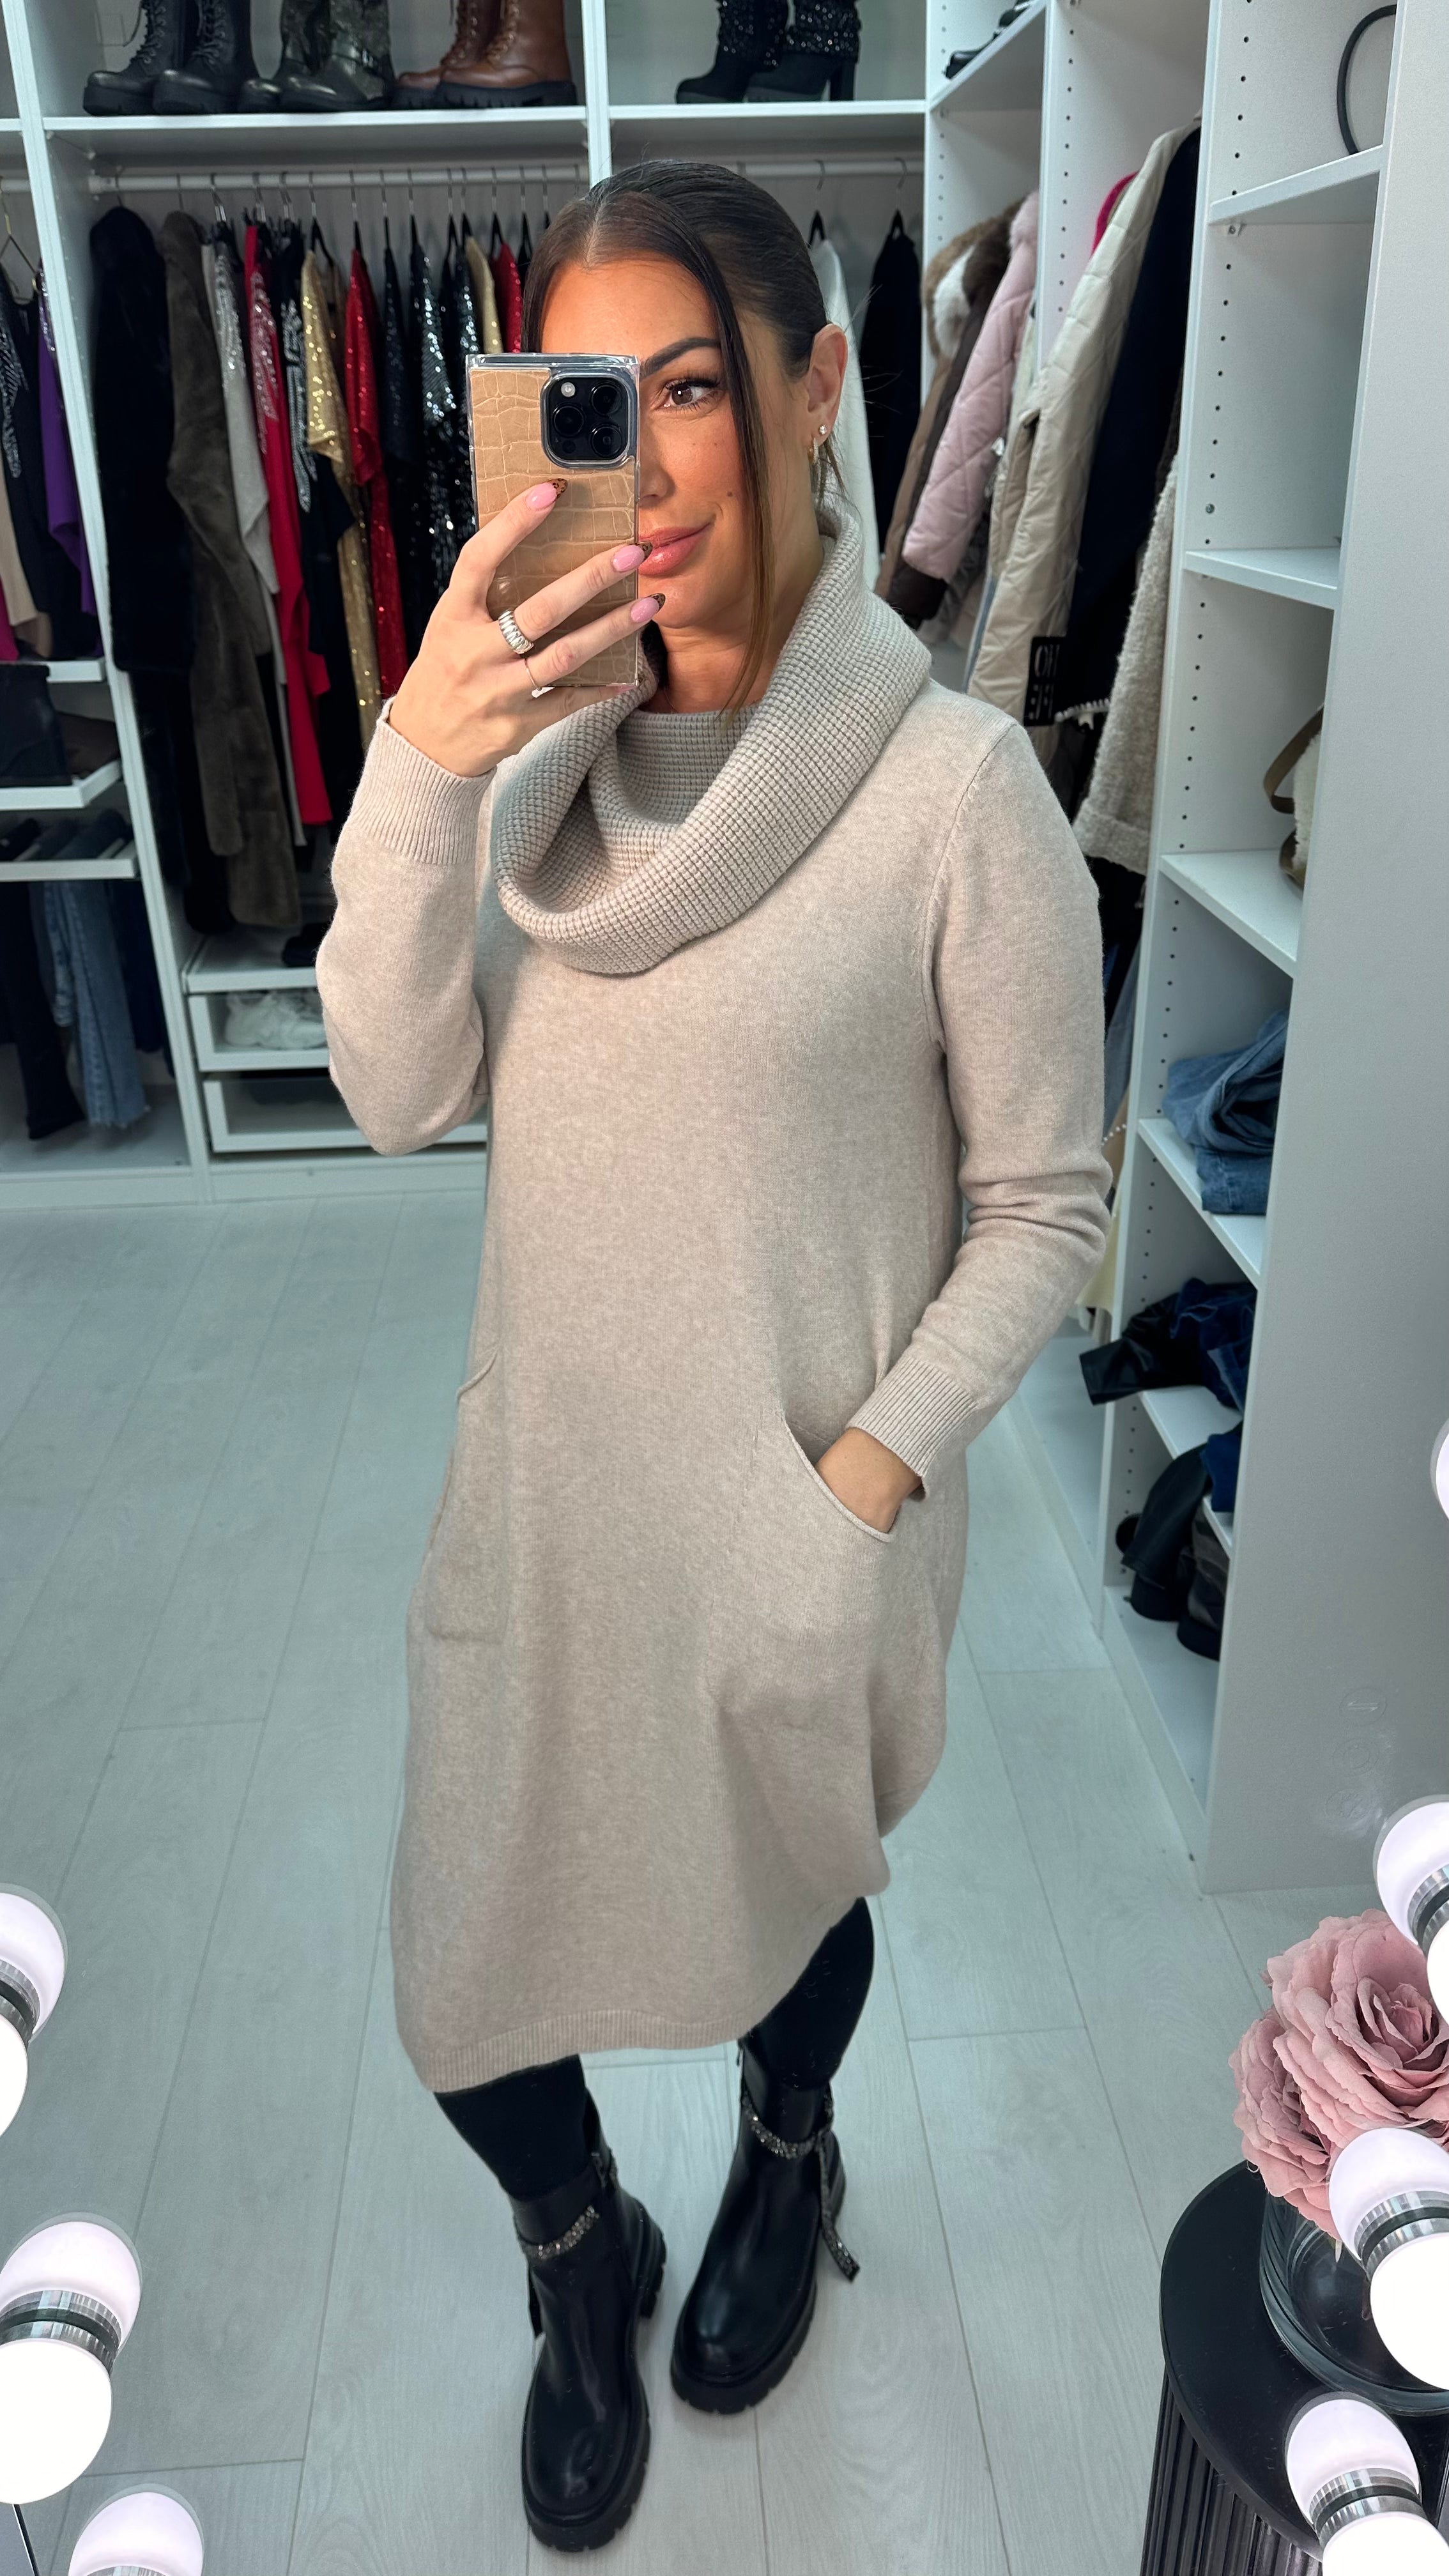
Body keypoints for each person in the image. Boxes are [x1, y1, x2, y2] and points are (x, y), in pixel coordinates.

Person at [316, 161, 1110, 2555]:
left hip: (796, 1495)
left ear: (815, 382)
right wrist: (417, 754)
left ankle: (787, 2151)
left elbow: (1046, 1208)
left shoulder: (954, 794)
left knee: (785, 1904)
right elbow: (389, 1090)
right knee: (467, 1973)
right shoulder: (521, 763)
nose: (641, 469)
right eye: (586, 403)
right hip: (550, 1498)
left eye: (687, 389)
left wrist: (853, 1488)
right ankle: (579, 2247)